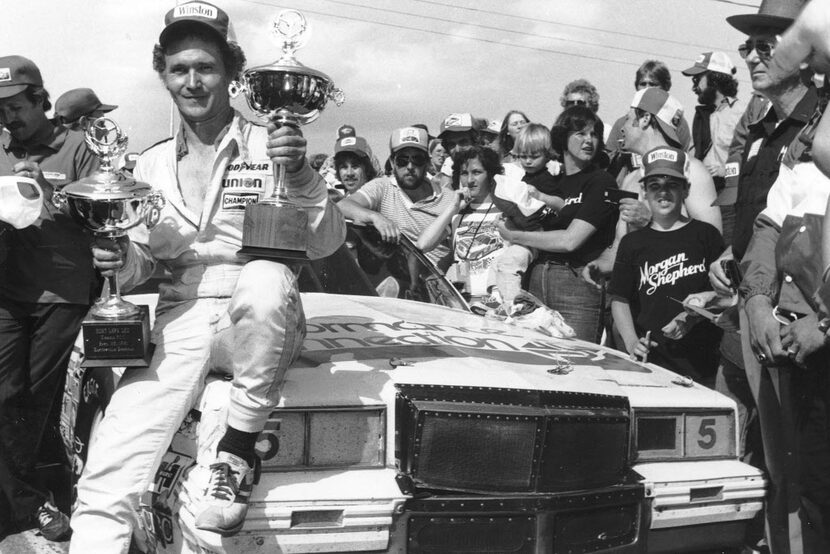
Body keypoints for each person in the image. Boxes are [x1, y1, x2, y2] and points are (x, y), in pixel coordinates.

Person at [69, 2, 345, 549]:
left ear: (232, 73)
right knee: (110, 467)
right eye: (179, 69)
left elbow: (325, 242)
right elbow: (148, 262)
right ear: (164, 77)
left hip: (260, 311)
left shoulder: (276, 143)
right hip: (180, 315)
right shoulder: (147, 165)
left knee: (265, 276)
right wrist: (118, 260)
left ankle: (237, 454)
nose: (192, 82)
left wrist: (302, 174)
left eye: (206, 67)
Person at [0, 55, 99, 540]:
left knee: (35, 401)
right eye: (1, 109)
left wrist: (48, 193)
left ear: (41, 99)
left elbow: (104, 217)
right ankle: (29, 499)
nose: (9, 117)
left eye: (17, 106)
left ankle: (29, 500)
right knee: (4, 398)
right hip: (6, 292)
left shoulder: (79, 146)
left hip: (62, 292)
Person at [497, 105, 618, 343]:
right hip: (536, 275)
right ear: (562, 137)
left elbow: (570, 240)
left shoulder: (601, 181)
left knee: (575, 364)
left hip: (575, 284)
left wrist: (515, 236)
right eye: (580, 133)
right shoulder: (549, 178)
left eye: (594, 134)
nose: (589, 140)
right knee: (534, 364)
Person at [610, 146, 723, 385]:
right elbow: (620, 299)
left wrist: (692, 315)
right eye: (655, 186)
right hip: (652, 361)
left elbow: (725, 293)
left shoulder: (706, 235)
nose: (663, 193)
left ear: (686, 189)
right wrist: (631, 342)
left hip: (702, 361)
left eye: (672, 185)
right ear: (643, 191)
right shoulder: (632, 243)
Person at [337, 126, 455, 267]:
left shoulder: (449, 199)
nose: (410, 166)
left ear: (427, 162)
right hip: (399, 283)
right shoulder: (382, 187)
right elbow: (343, 206)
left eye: (417, 159)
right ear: (392, 162)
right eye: (402, 160)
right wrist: (375, 217)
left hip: (439, 283)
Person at [416, 146, 506, 302]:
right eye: (464, 173)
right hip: (464, 302)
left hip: (498, 302)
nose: (470, 180)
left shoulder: (506, 211)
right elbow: (423, 245)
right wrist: (453, 207)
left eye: (477, 172)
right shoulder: (457, 214)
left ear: (491, 174)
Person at [491, 123, 562, 309]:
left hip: (537, 235)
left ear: (547, 154)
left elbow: (559, 199)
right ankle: (498, 300)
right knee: (496, 263)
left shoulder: (552, 173)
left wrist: (555, 166)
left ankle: (515, 307)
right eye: (523, 156)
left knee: (509, 263)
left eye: (534, 156)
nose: (528, 161)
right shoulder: (525, 177)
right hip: (523, 230)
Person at [681, 51, 745, 192]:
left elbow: (752, 159)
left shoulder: (742, 114)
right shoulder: (701, 117)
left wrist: (724, 171)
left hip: (730, 193)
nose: (694, 88)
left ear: (714, 79)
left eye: (697, 80)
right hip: (704, 192)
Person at [606, 60, 693, 158]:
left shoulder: (677, 123)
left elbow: (684, 158)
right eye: (643, 84)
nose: (647, 88)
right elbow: (609, 158)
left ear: (665, 87)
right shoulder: (622, 124)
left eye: (653, 84)